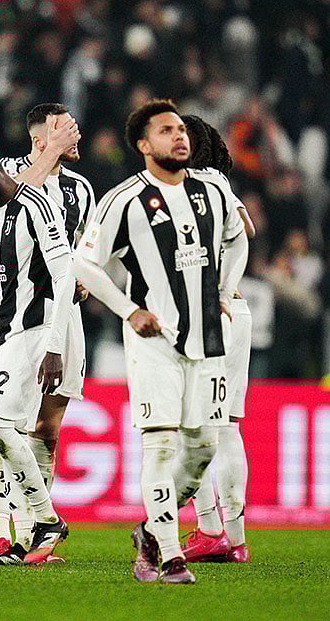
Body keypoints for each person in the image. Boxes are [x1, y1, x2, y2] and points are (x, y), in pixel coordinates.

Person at [74, 100, 248, 584]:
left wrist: (225, 290)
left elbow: (240, 237)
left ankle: (150, 531)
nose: (179, 137)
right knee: (163, 447)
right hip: (156, 343)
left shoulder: (213, 191)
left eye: (181, 129)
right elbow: (84, 262)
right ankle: (170, 557)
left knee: (203, 449)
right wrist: (130, 310)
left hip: (210, 340)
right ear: (143, 145)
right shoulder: (124, 199)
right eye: (166, 130)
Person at [0, 145, 72, 566]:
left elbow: (64, 273)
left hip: (35, 333)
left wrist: (56, 346)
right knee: (4, 436)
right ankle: (25, 536)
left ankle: (45, 519)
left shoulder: (37, 207)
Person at [0, 103, 93, 557]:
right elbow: (12, 213)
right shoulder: (7, 171)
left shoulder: (81, 189)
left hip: (62, 316)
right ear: (40, 138)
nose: (77, 135)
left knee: (47, 428)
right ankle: (0, 532)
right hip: (12, 316)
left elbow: (79, 248)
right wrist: (50, 154)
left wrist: (83, 276)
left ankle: (34, 535)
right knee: (5, 424)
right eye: (65, 129)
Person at [179, 114, 256, 563]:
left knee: (187, 423)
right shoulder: (222, 184)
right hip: (235, 311)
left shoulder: (188, 183)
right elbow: (247, 230)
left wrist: (216, 289)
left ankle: (209, 528)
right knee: (226, 427)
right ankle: (235, 537)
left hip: (207, 311)